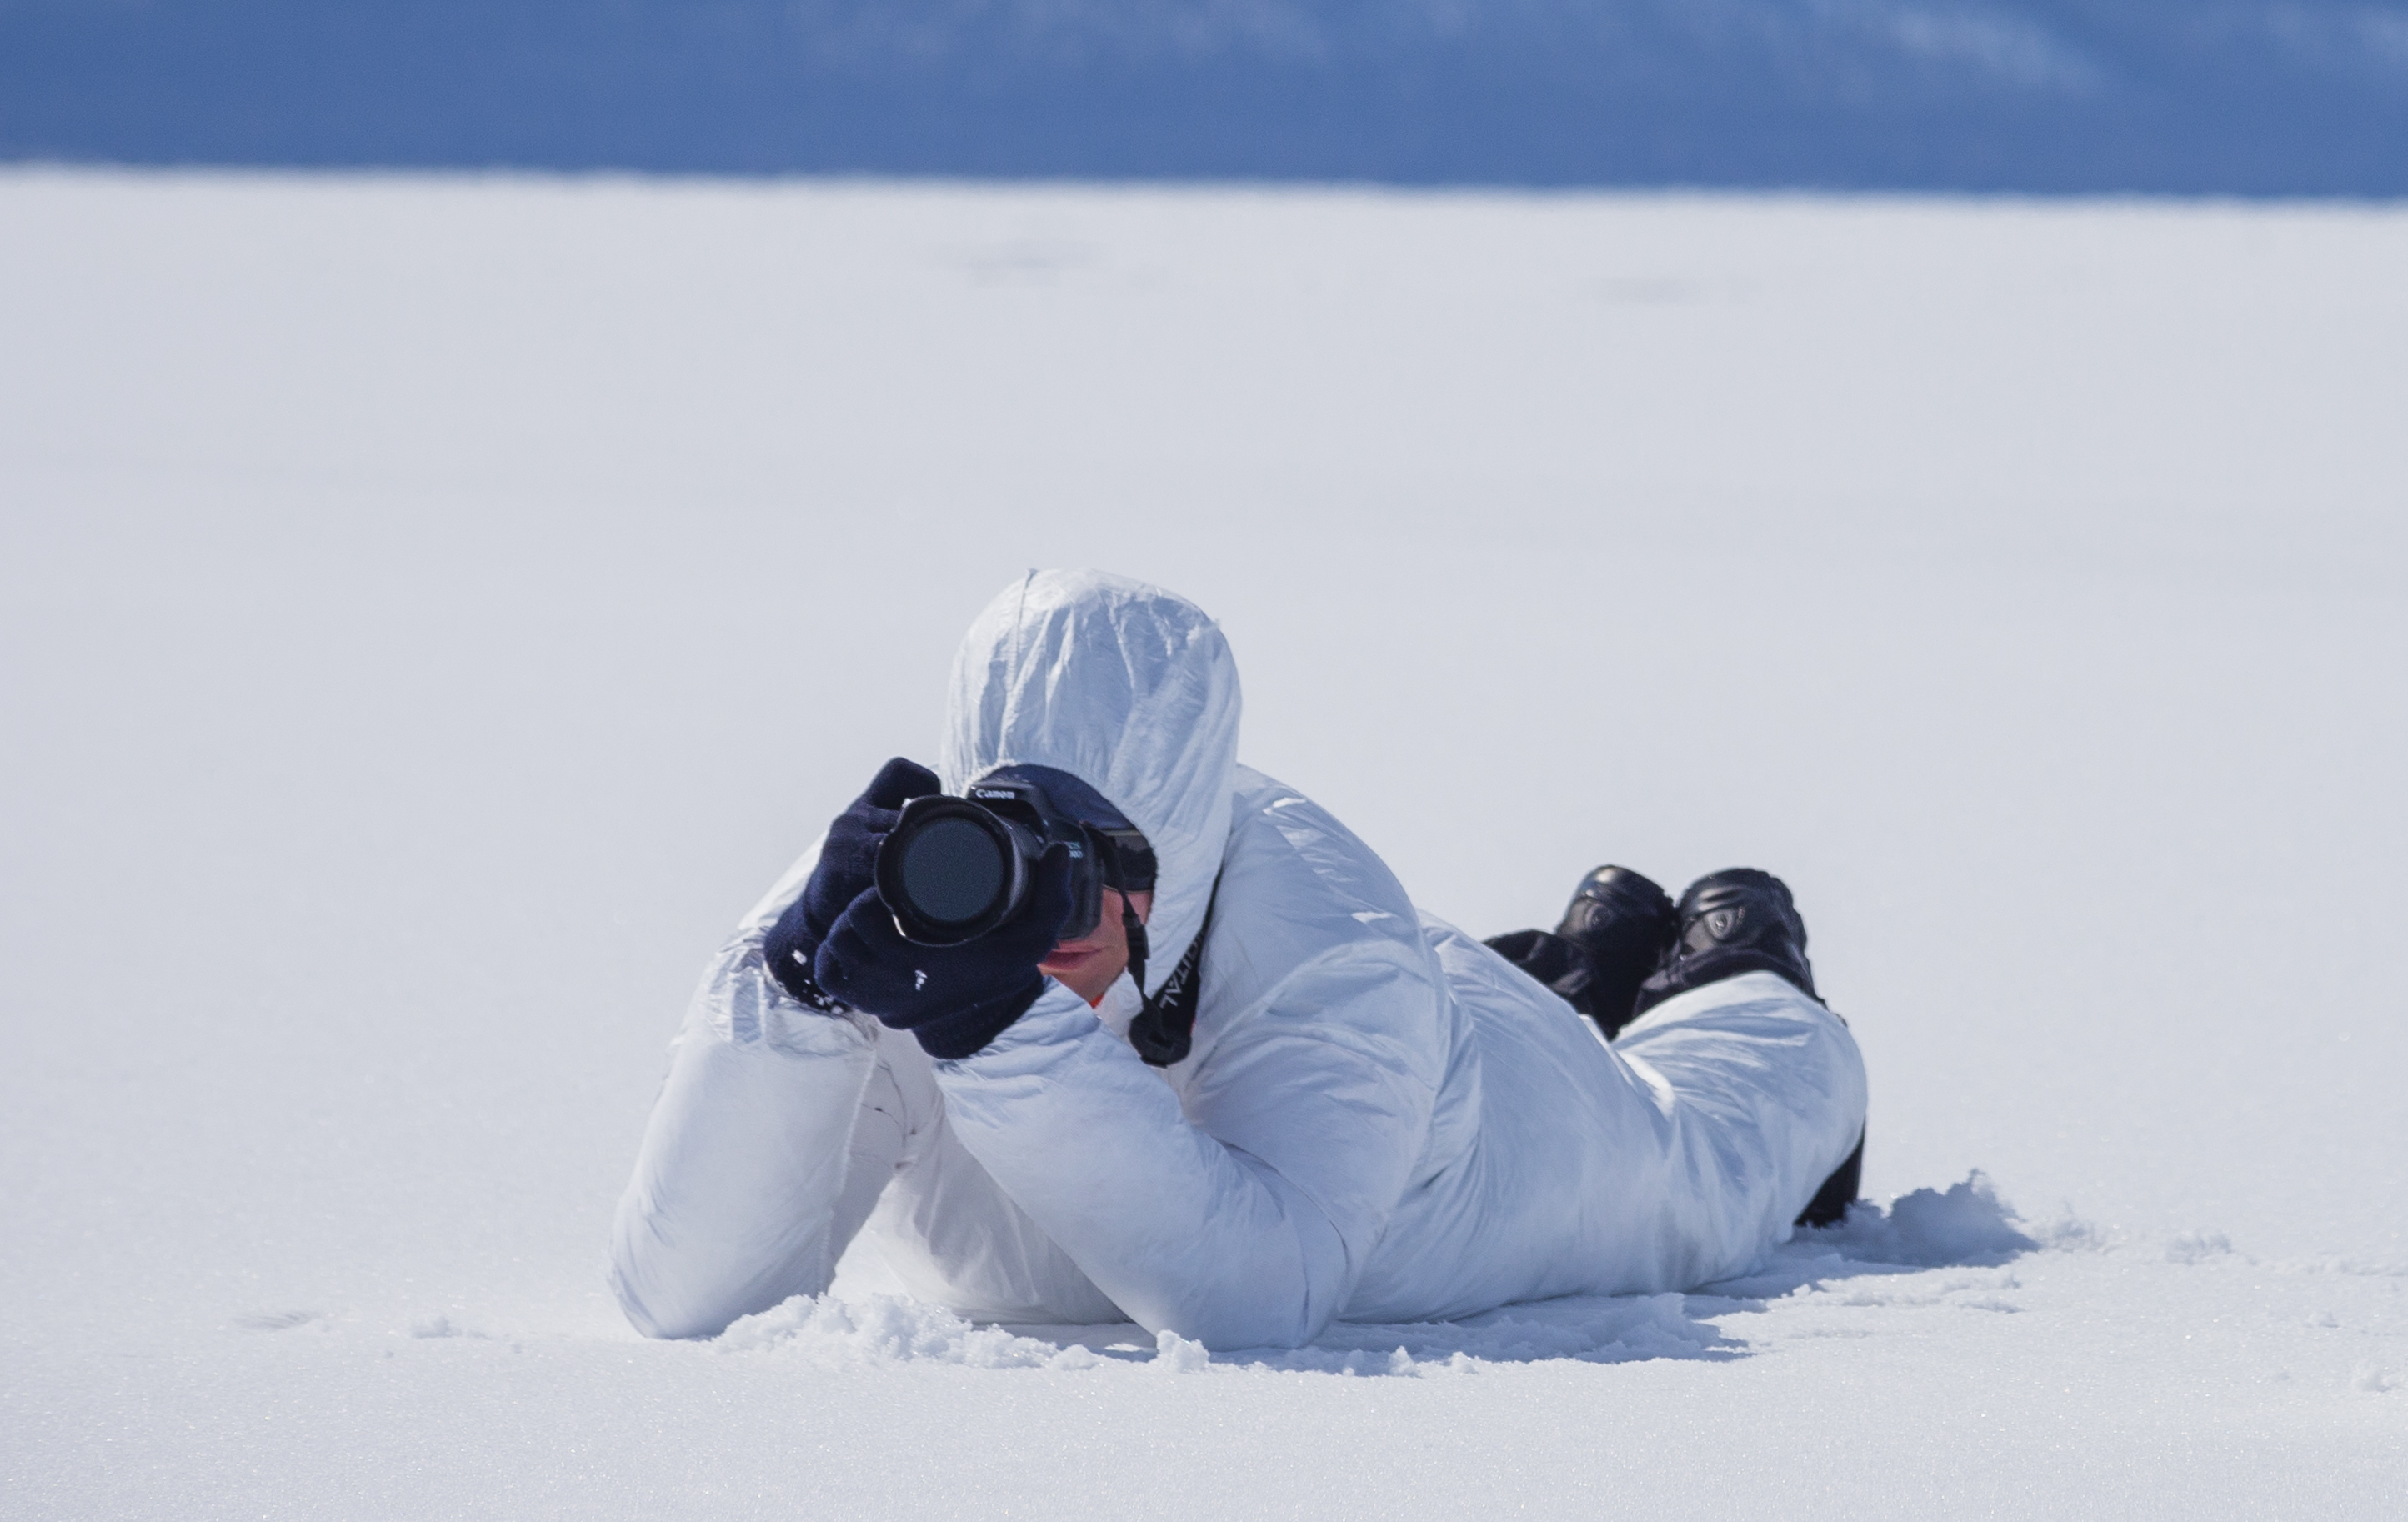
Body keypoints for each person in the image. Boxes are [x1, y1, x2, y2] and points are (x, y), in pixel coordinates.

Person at [610, 568, 1867, 1349]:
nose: (1056, 922)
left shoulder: (1342, 953)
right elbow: (693, 1301)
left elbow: (1263, 1301)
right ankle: (1584, 964)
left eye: (1103, 872)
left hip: (1485, 1143)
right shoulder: (895, 914)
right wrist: (787, 1001)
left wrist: (998, 1031)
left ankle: (1738, 961)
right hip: (1354, 1050)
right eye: (1025, 857)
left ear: (1184, 859)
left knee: (1701, 1172)